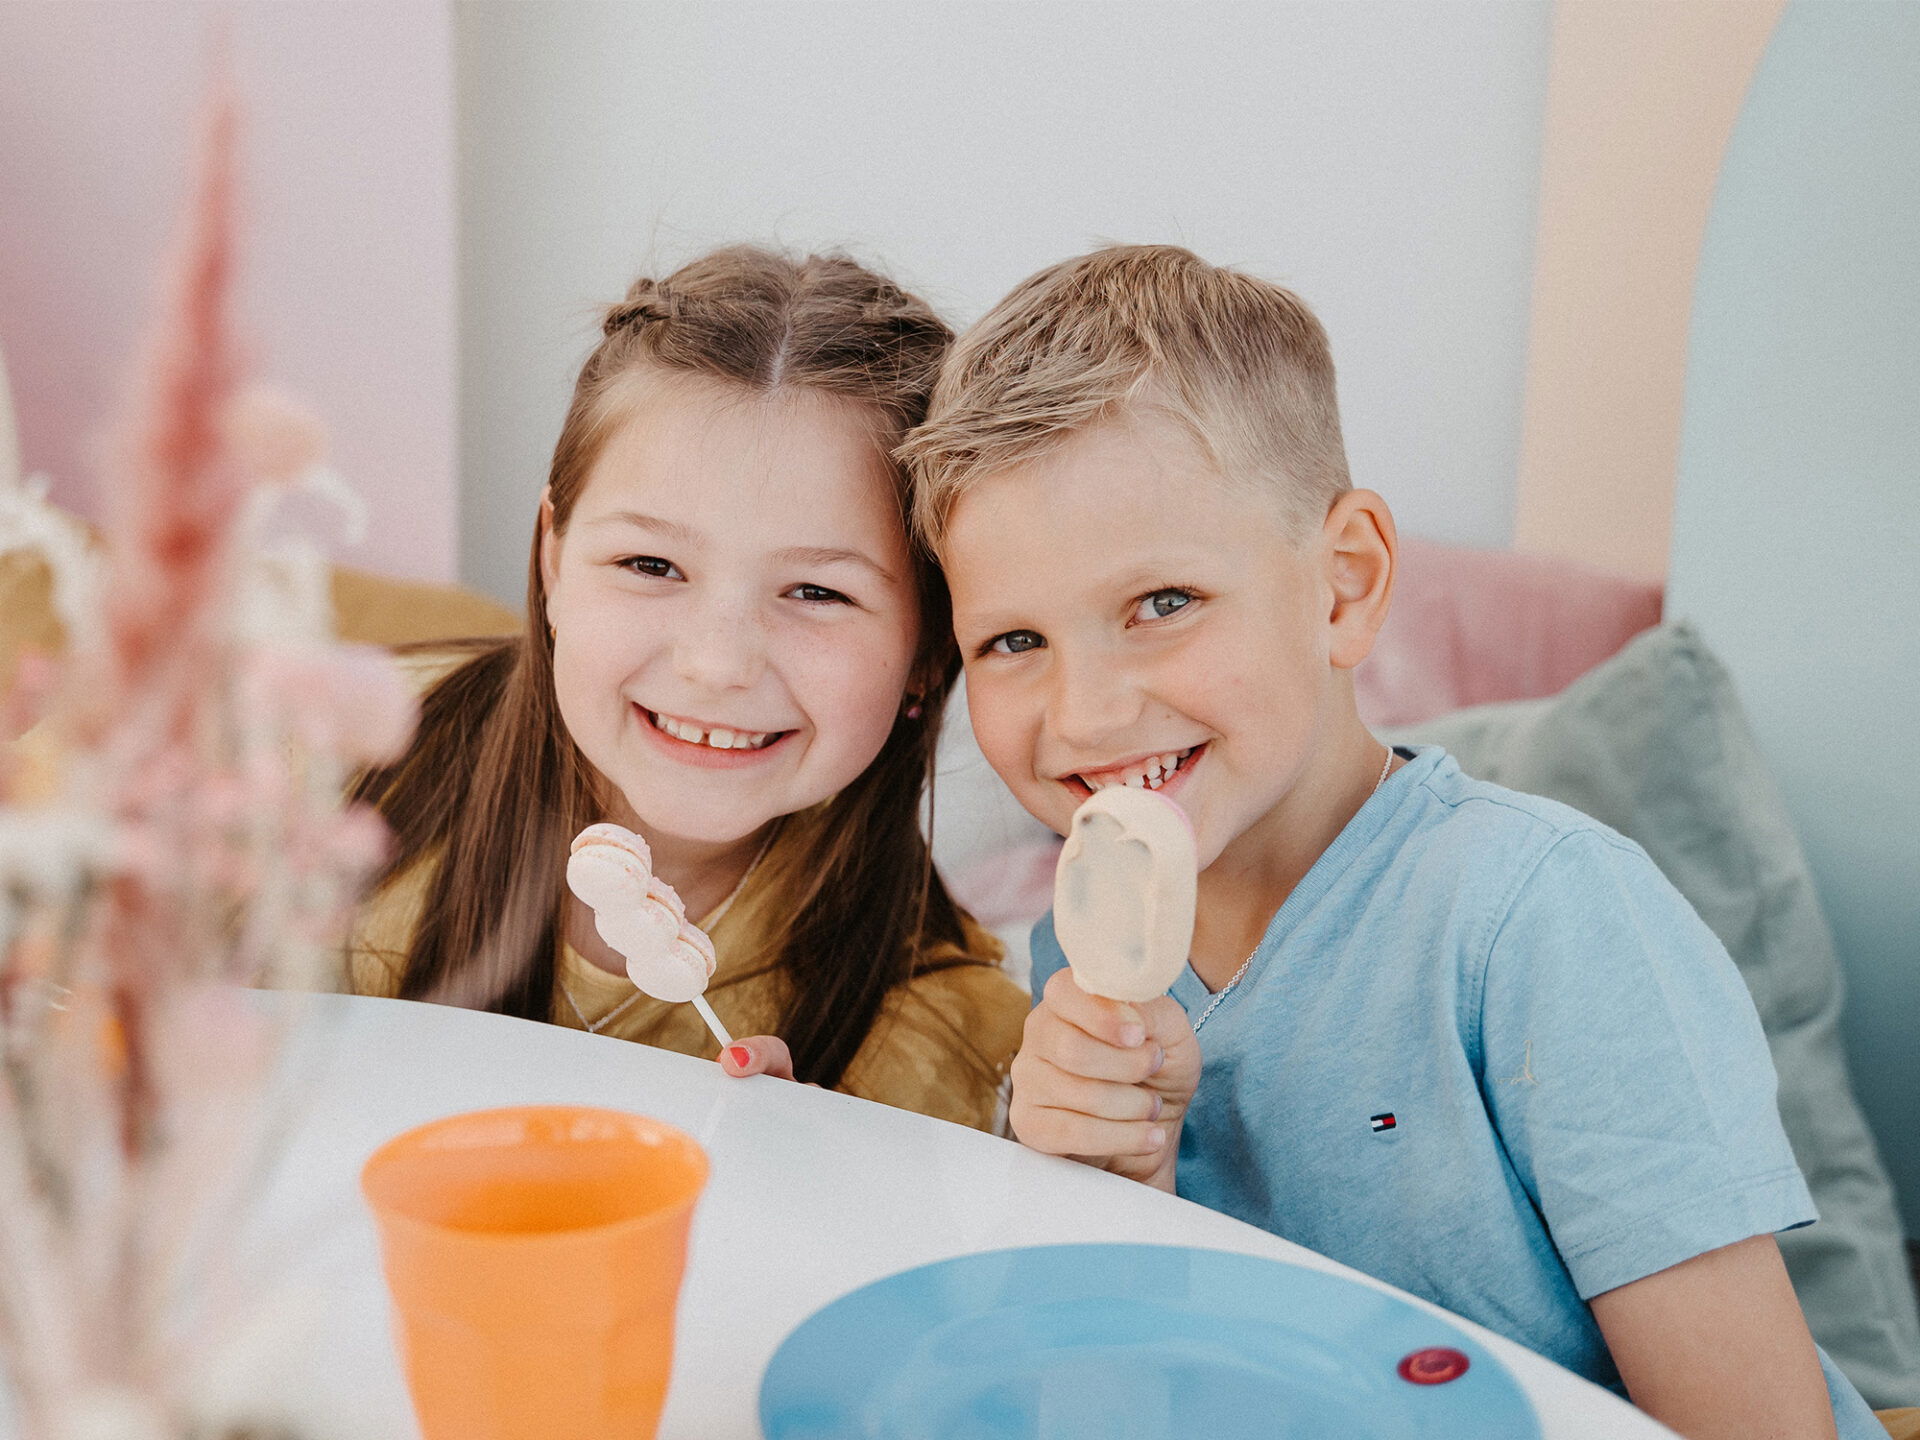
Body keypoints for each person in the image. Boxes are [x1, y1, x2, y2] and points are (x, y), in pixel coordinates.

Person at [899, 244, 1883, 1436]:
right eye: (1013, 641)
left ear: (1345, 584)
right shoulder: (1081, 938)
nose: (1088, 712)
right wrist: (1112, 1178)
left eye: (1162, 604)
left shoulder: (1542, 922)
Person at [348, 246, 1025, 1130]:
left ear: (929, 652)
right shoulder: (323, 764)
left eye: (818, 592)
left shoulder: (943, 1043)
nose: (716, 663)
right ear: (554, 557)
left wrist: (823, 1193)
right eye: (651, 563)